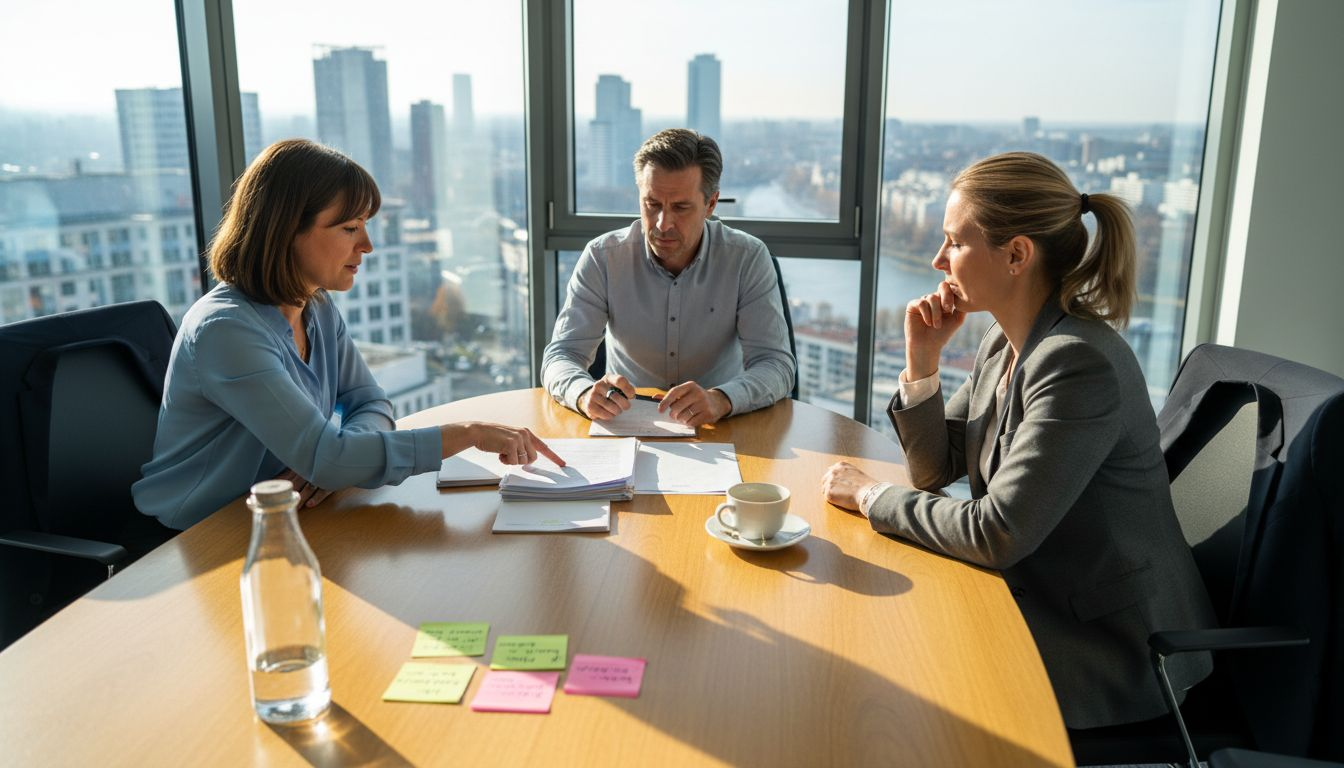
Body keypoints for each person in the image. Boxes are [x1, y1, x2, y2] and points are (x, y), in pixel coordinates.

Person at [821, 152, 1217, 730]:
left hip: (1107, 649)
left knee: (895, 696)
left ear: (1016, 255)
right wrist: (922, 362)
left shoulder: (1077, 364)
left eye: (955, 242)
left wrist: (869, 496)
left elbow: (995, 533)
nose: (938, 260)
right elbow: (934, 471)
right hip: (1036, 597)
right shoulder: (1002, 343)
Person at [134, 139, 561, 530]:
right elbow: (330, 458)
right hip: (199, 536)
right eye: (350, 228)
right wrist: (467, 433)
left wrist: (334, 459)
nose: (367, 245)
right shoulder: (226, 330)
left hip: (284, 516)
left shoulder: (316, 307)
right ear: (287, 230)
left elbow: (370, 402)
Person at [541, 128, 795, 427]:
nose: (662, 224)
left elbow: (776, 365)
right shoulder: (603, 257)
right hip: (627, 425)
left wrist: (722, 399)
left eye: (680, 208)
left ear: (711, 204)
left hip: (721, 426)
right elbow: (561, 355)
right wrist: (583, 393)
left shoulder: (747, 258)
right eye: (652, 204)